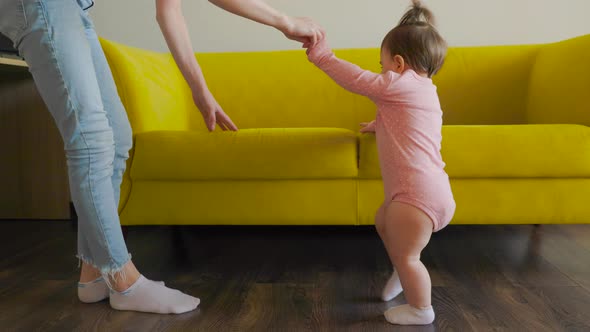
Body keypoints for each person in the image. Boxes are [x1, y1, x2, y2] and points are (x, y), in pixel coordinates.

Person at [0, 0, 322, 314]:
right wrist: (286, 22)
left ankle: (94, 272)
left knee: (117, 138)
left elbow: (169, 11)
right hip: (40, 4)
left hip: (71, 8)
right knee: (91, 141)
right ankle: (122, 278)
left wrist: (200, 89)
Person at [305, 0, 455, 325]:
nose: (380, 70)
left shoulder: (397, 84)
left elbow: (357, 79)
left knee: (409, 254)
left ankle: (421, 309)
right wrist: (380, 124)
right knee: (383, 220)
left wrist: (322, 57)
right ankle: (401, 272)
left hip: (417, 197)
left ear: (398, 64)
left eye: (382, 64)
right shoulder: (427, 91)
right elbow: (417, 126)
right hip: (430, 193)